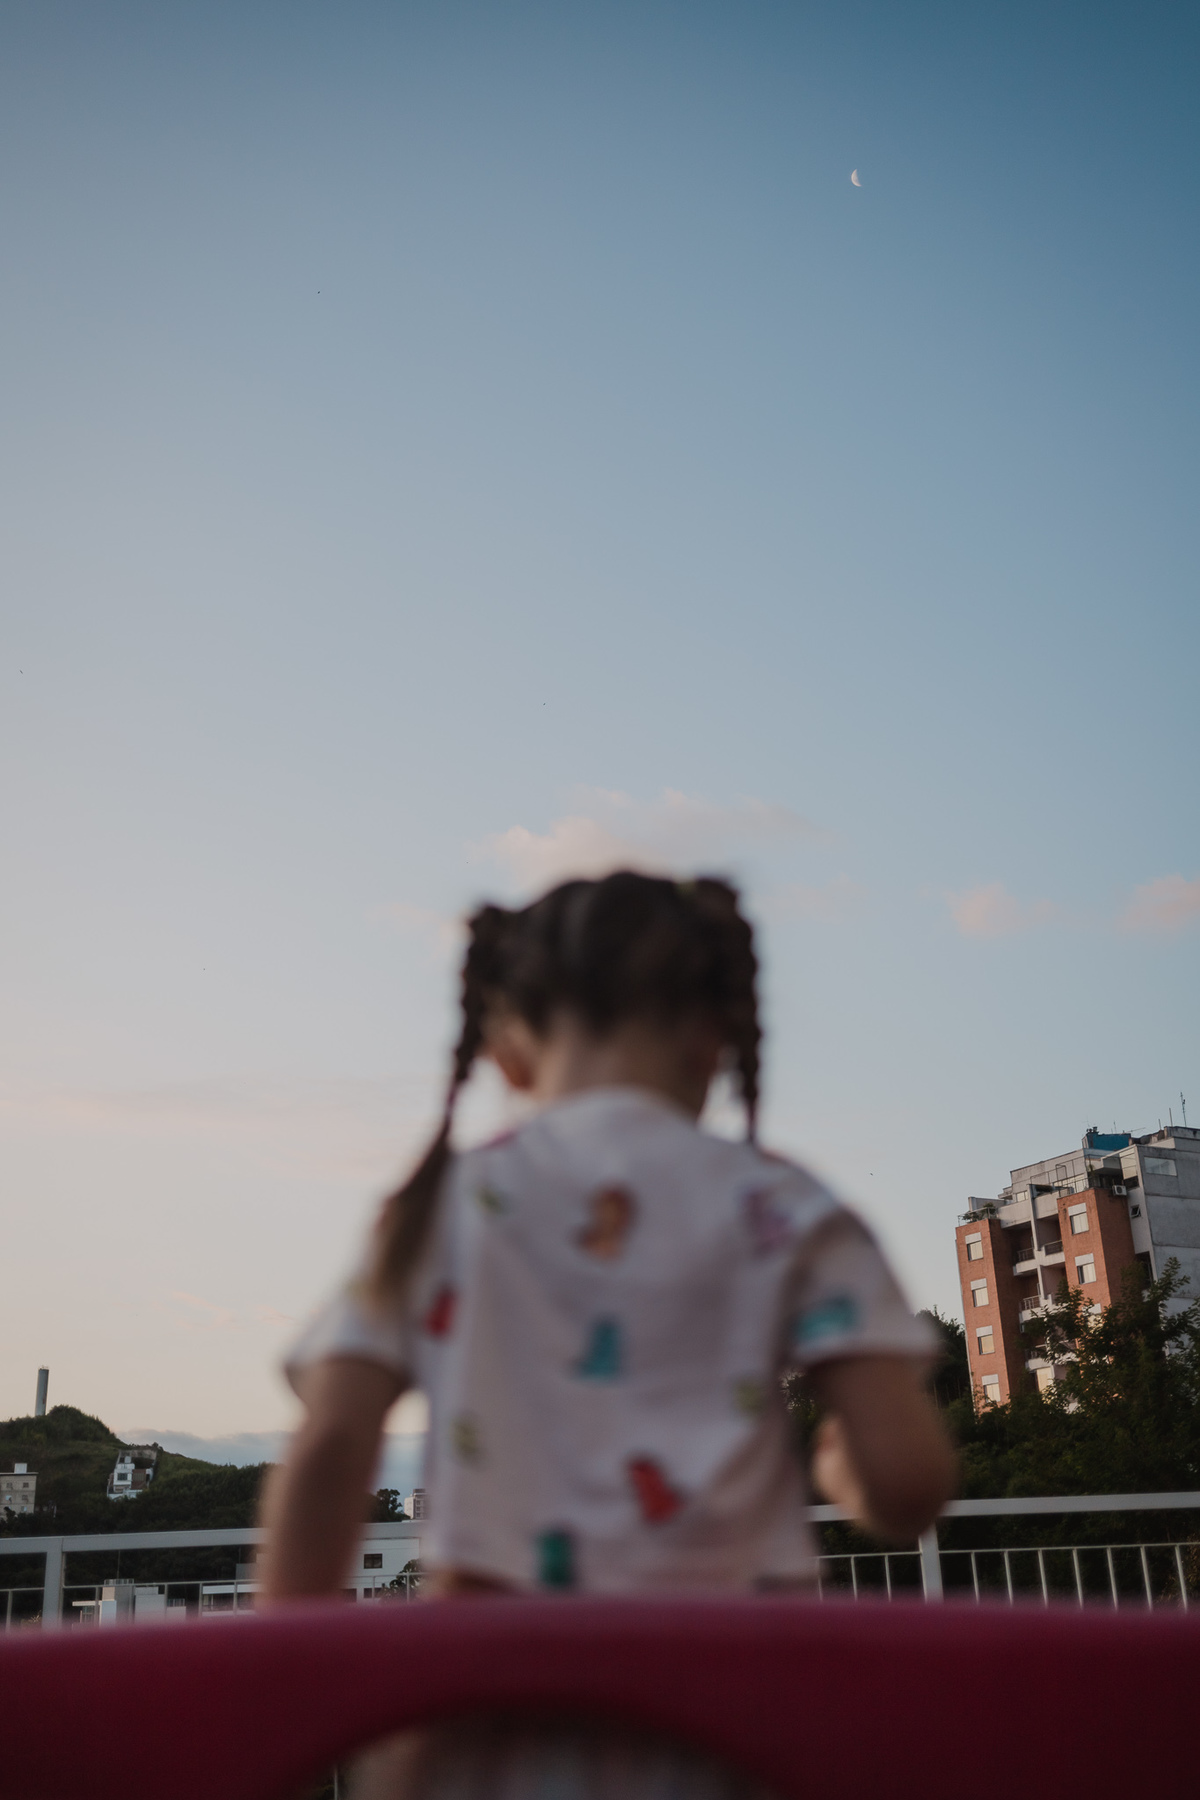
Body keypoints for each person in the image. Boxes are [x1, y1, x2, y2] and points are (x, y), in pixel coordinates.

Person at [260, 872, 955, 1796]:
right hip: (739, 1727)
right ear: (715, 1038)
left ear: (507, 1050)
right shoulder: (786, 1207)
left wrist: (281, 1706)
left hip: (484, 1730)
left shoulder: (441, 1204)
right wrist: (839, 1471)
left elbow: (332, 1446)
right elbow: (907, 1484)